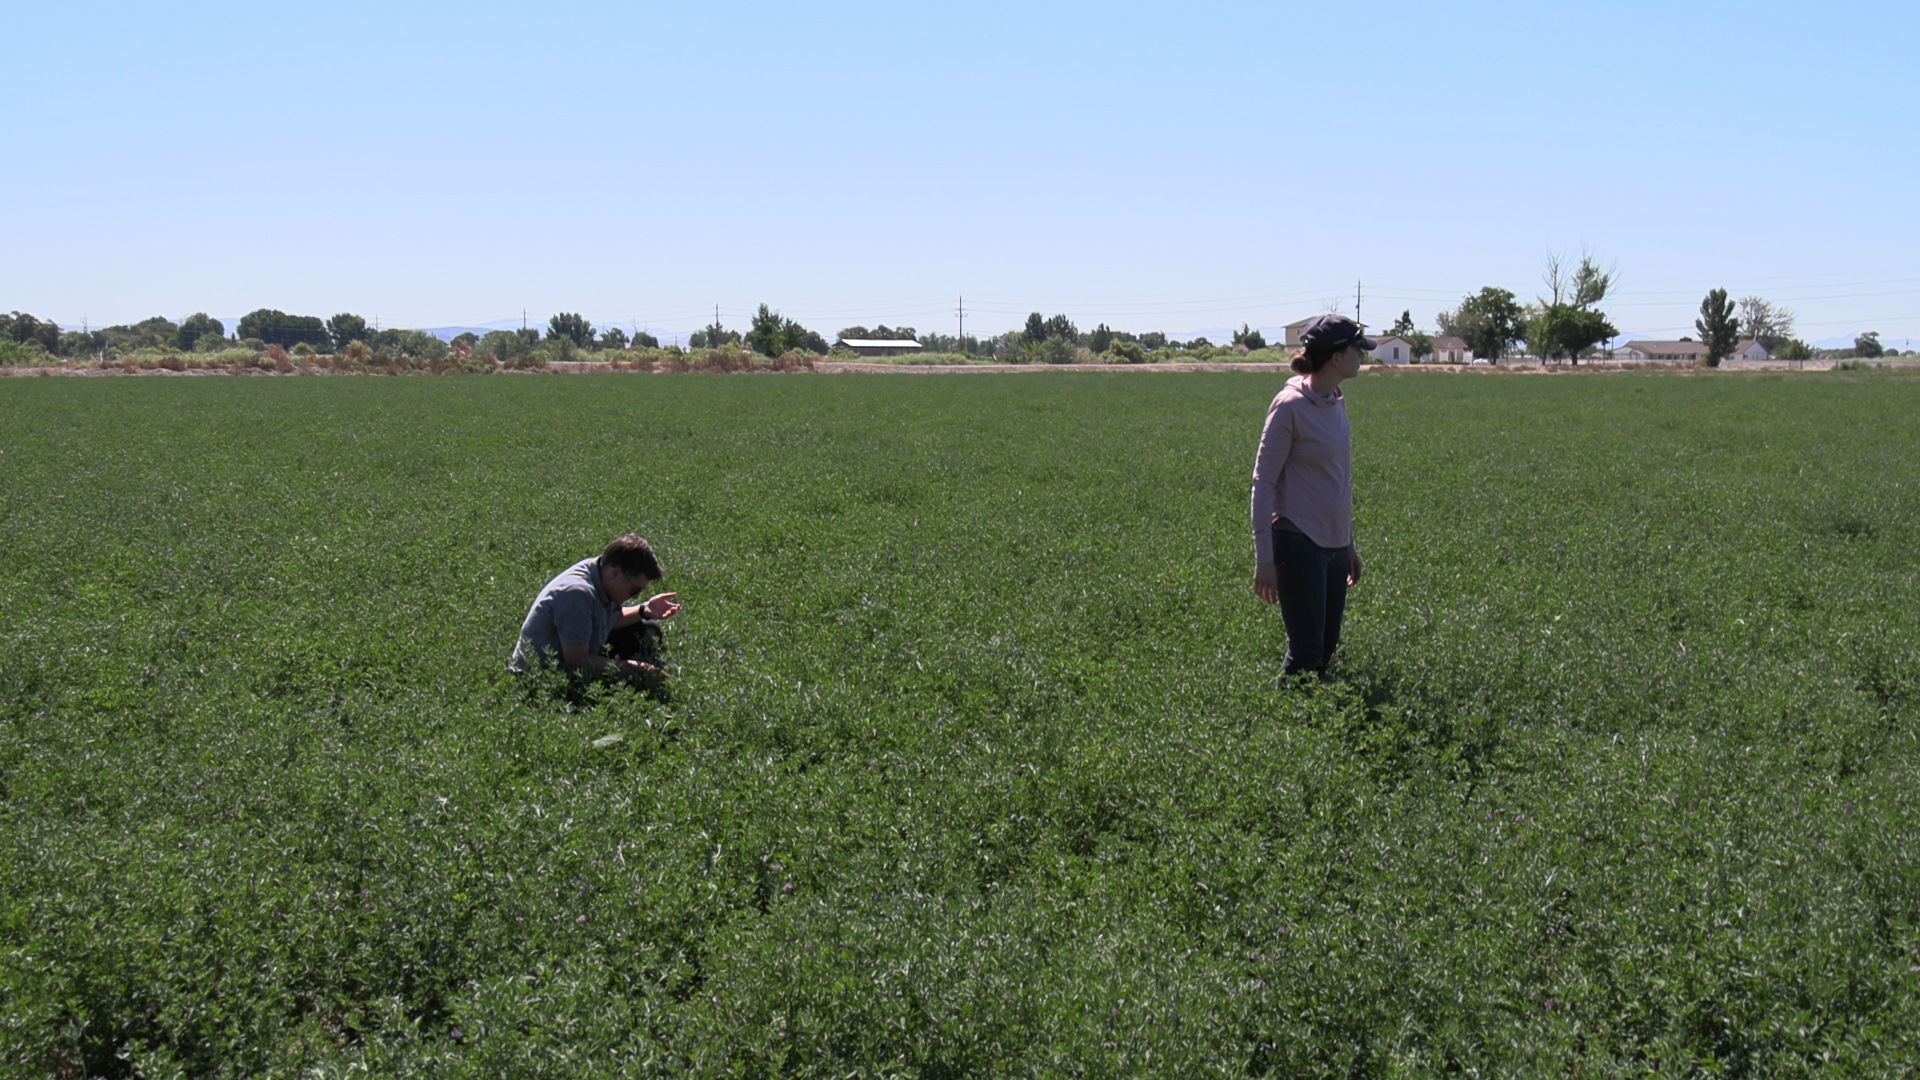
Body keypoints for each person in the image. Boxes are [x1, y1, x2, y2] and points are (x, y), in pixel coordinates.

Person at [1250, 314, 1368, 681]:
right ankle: (1276, 728)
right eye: (1356, 350)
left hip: (1333, 545)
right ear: (1336, 357)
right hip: (1297, 540)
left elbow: (1338, 481)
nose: (1362, 357)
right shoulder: (1289, 406)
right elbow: (1263, 482)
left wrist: (1347, 544)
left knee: (1326, 649)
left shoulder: (1336, 400)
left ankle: (1312, 727)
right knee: (1306, 650)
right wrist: (1264, 558)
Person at [509, 533, 682, 684]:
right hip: (540, 676)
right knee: (631, 668)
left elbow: (607, 620)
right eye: (635, 589)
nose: (636, 596)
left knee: (647, 628)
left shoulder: (600, 571)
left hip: (575, 651)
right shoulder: (576, 594)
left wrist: (644, 610)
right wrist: (635, 669)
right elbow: (576, 662)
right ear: (616, 573)